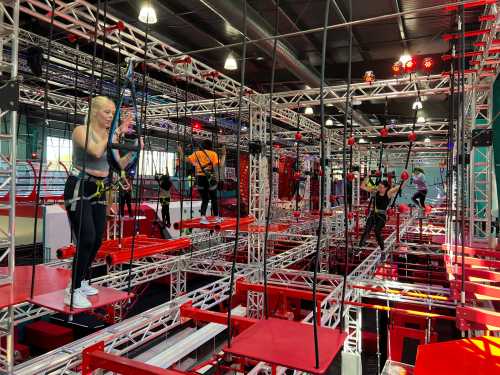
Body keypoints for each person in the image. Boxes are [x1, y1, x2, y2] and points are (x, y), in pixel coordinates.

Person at [63, 96, 138, 308]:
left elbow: (118, 164)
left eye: (113, 113)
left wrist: (133, 150)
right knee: (85, 238)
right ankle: (73, 289)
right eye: (107, 112)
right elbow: (95, 150)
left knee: (96, 239)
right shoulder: (81, 130)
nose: (111, 117)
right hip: (79, 186)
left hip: (99, 188)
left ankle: (83, 281)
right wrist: (116, 132)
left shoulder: (109, 135)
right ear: (95, 111)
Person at [177, 140, 226, 224]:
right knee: (214, 198)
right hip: (210, 178)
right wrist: (224, 154)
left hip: (200, 178)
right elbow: (221, 165)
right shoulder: (213, 153)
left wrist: (180, 150)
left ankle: (203, 218)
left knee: (205, 199)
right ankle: (216, 217)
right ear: (210, 146)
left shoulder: (196, 153)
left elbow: (183, 159)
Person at [358, 179, 399, 252]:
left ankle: (382, 249)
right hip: (373, 214)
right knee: (366, 230)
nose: (379, 188)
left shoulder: (388, 193)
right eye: (379, 187)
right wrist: (367, 176)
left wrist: (404, 179)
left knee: (377, 231)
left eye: (381, 187)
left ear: (386, 188)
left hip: (382, 216)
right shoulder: (375, 191)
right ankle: (359, 247)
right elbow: (362, 186)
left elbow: (400, 187)